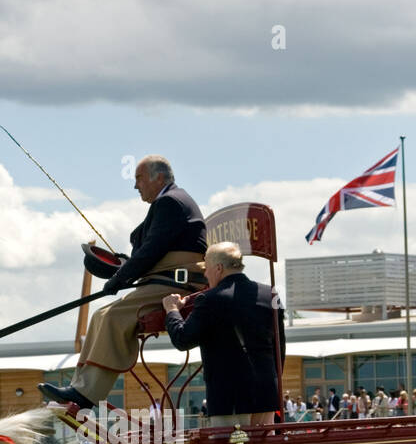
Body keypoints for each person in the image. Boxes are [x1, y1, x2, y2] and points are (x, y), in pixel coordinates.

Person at [39, 155, 208, 410]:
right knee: (99, 316)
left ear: (158, 177)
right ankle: (78, 387)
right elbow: (152, 250)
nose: (136, 186)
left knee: (112, 317)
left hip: (177, 285)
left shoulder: (170, 202)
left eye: (139, 178)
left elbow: (151, 250)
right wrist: (124, 266)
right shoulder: (171, 201)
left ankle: (86, 394)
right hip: (164, 278)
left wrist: (119, 277)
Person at [161, 241, 285, 429]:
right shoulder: (271, 294)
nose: (205, 274)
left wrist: (172, 311)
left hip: (229, 398)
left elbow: (182, 339)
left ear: (218, 268)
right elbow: (279, 347)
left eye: (207, 268)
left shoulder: (209, 300)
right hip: (266, 393)